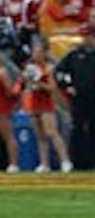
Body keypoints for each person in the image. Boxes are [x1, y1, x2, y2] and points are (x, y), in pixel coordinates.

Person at [21, 42, 73, 172]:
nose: (36, 55)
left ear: (44, 54)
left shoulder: (49, 68)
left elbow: (53, 88)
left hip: (46, 103)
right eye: (34, 52)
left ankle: (65, 160)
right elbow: (26, 84)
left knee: (52, 132)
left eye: (39, 52)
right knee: (40, 135)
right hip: (34, 102)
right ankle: (44, 163)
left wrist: (40, 85)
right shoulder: (30, 68)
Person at [55, 23, 95, 169]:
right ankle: (77, 160)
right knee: (77, 128)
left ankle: (92, 160)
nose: (85, 39)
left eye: (88, 35)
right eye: (83, 36)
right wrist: (67, 86)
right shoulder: (74, 55)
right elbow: (59, 72)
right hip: (79, 97)